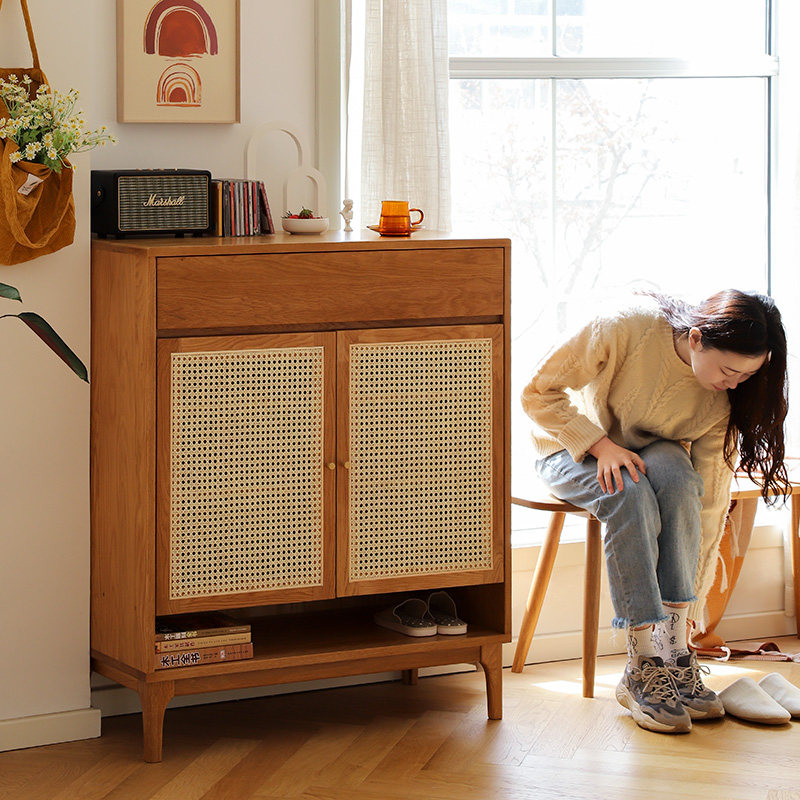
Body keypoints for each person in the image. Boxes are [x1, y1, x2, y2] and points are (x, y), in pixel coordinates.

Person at [521, 289, 788, 734]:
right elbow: (537, 390)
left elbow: (708, 504)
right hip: (569, 449)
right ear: (698, 338)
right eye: (728, 370)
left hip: (644, 457)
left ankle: (673, 654)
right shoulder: (624, 327)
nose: (734, 384)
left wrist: (694, 605)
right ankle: (643, 664)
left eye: (746, 376)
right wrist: (601, 445)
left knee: (682, 481)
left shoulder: (720, 402)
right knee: (629, 491)